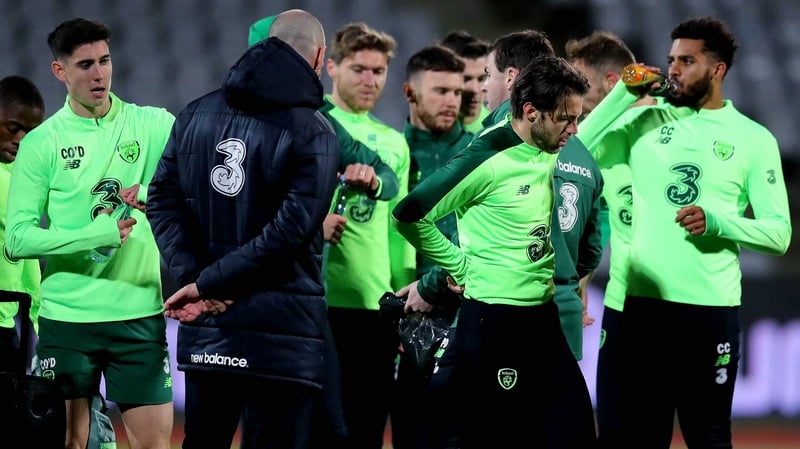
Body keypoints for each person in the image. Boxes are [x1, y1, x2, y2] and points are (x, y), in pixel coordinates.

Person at [577, 16, 792, 448]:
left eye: (687, 61)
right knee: (624, 439)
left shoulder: (754, 140)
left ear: (717, 70)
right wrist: (624, 93)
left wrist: (717, 222)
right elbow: (573, 151)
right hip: (633, 311)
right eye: (671, 59)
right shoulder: (641, 123)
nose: (673, 68)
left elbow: (778, 234)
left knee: (708, 437)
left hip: (707, 312)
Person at [146, 9, 339, 449]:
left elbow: (160, 200)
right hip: (281, 333)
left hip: (209, 326)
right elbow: (291, 232)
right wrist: (208, 283)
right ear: (319, 57)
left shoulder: (195, 113)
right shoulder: (314, 131)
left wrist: (197, 280)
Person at [393, 55, 596, 448]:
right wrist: (459, 264)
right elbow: (408, 215)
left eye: (577, 118)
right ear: (531, 111)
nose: (574, 130)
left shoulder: (546, 140)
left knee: (576, 433)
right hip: (495, 323)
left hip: (542, 317)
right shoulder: (486, 158)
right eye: (565, 119)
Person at [5, 18, 174, 449]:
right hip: (68, 319)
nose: (99, 74)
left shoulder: (153, 125)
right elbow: (18, 239)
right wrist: (92, 234)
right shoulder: (42, 143)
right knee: (69, 444)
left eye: (105, 60)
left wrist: (156, 195)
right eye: (85, 65)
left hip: (139, 311)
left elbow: (195, 189)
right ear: (60, 71)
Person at [322, 22, 416, 449]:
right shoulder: (313, 122)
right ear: (331, 68)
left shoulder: (395, 143)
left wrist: (400, 305)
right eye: (358, 69)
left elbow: (399, 233)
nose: (370, 80)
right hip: (318, 304)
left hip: (374, 310)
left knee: (366, 430)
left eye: (378, 71)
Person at [564, 29, 656, 448]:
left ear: (612, 82)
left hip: (684, 306)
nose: (574, 97)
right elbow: (588, 215)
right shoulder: (596, 144)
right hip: (623, 304)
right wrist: (581, 281)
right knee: (617, 432)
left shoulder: (669, 127)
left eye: (580, 82)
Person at [247, 14, 401, 247]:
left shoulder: (321, 122)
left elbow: (385, 175)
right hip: (252, 274)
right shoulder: (231, 118)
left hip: (297, 277)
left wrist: (372, 180)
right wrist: (313, 230)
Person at [391, 44, 472, 449]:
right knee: (411, 432)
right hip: (404, 313)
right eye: (440, 91)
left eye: (457, 92)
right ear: (410, 93)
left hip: (463, 308)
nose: (451, 101)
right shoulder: (392, 153)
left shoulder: (479, 151)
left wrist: (436, 282)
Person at [0, 75, 44, 373]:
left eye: (31, 132)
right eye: (13, 128)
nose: (21, 140)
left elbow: (27, 253)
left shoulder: (24, 178)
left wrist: (42, 324)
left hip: (5, 328)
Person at [439, 30, 490, 134]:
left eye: (482, 79)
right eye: (465, 79)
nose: (475, 89)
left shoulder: (496, 131)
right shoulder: (422, 134)